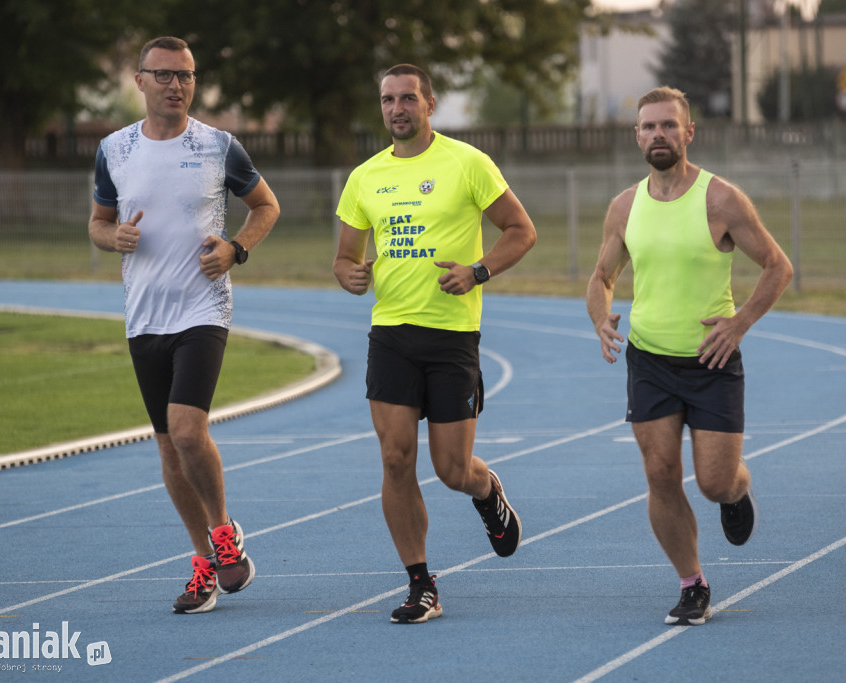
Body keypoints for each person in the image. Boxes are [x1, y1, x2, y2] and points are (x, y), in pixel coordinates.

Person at [333, 64, 537, 624]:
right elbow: (346, 257)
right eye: (387, 100)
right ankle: (421, 583)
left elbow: (521, 231)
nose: (396, 109)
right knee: (396, 458)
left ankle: (486, 488)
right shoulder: (364, 177)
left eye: (407, 99)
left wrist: (478, 271)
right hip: (392, 334)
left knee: (452, 468)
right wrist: (349, 273)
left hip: (451, 337)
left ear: (429, 104)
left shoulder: (467, 162)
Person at [88, 36, 280, 614]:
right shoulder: (114, 149)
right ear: (140, 81)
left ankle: (224, 532)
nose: (177, 85)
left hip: (203, 309)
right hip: (144, 316)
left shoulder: (219, 146)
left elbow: (266, 207)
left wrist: (235, 249)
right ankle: (203, 564)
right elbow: (98, 223)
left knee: (189, 431)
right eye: (165, 75)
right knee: (170, 451)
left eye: (187, 76)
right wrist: (112, 237)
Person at [587, 86, 793, 626]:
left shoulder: (720, 199)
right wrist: (599, 316)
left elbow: (777, 266)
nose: (658, 135)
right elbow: (602, 277)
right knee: (659, 473)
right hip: (649, 360)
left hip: (711, 359)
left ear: (688, 132)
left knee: (714, 481)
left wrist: (740, 322)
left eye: (668, 126)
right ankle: (692, 583)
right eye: (648, 127)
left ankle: (736, 492)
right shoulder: (625, 206)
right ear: (637, 136)